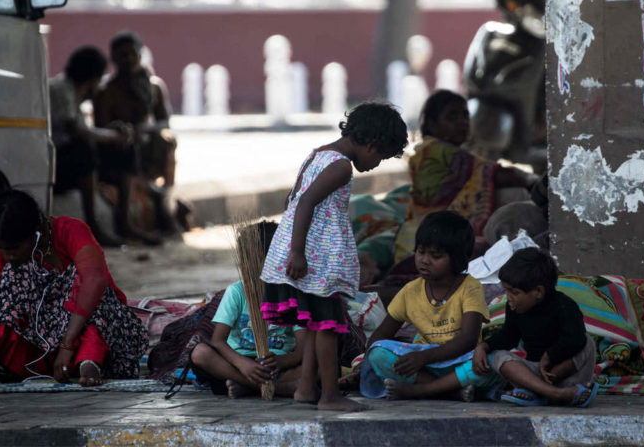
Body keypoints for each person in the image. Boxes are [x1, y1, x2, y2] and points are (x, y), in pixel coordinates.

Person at [259, 102, 408, 411]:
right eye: (380, 156)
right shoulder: (341, 166)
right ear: (371, 143)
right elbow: (305, 204)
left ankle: (305, 389)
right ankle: (329, 395)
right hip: (316, 264)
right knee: (328, 327)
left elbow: (292, 198)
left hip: (310, 258)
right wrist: (298, 253)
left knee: (315, 325)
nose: (377, 163)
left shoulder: (318, 154)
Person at [0, 190, 148, 386]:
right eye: (0, 248)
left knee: (90, 283)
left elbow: (95, 280)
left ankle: (89, 362)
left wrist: (67, 344)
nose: (6, 255)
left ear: (38, 232)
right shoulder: (8, 256)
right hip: (43, 349)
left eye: (13, 249)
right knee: (8, 280)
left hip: (96, 335)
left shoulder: (71, 230)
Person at [361, 211, 501, 401]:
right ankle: (449, 391)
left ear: (457, 258)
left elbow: (468, 339)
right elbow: (380, 336)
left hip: (458, 362)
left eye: (435, 256)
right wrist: (372, 357)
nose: (424, 260)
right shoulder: (410, 291)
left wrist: (424, 357)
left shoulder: (470, 287)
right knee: (378, 354)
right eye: (420, 252)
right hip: (422, 368)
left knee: (494, 362)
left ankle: (421, 391)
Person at [394, 90, 537, 262]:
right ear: (432, 124)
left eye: (465, 116)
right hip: (433, 235)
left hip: (414, 236)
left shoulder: (430, 151)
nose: (462, 122)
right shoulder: (436, 150)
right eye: (452, 117)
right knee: (517, 196)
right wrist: (533, 181)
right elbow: (496, 173)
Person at [189, 221, 306, 398]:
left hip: (277, 364)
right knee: (200, 354)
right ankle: (276, 388)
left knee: (323, 363)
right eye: (245, 260)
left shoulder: (292, 293)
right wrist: (243, 365)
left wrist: (282, 361)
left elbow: (302, 348)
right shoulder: (236, 292)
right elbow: (218, 341)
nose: (247, 266)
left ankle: (249, 386)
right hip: (238, 363)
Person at [472, 247, 599, 407]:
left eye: (514, 292)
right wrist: (482, 347)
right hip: (534, 371)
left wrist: (549, 356)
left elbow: (574, 339)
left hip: (565, 373)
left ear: (538, 291)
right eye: (507, 291)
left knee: (587, 342)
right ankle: (555, 394)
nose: (509, 298)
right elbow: (508, 337)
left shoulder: (565, 306)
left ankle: (538, 392)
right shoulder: (515, 308)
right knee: (499, 357)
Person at [93, 30, 178, 237]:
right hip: (118, 151)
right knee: (128, 149)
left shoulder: (154, 87)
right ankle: (127, 224)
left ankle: (167, 204)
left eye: (132, 54)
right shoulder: (106, 91)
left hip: (147, 148)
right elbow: (100, 128)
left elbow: (164, 121)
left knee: (168, 140)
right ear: (113, 58)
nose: (128, 59)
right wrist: (123, 132)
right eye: (122, 55)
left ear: (140, 55)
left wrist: (143, 130)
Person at [49, 45, 134, 247]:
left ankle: (124, 222)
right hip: (52, 163)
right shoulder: (60, 88)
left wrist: (114, 135)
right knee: (83, 150)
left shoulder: (74, 93)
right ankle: (93, 224)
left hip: (66, 159)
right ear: (93, 78)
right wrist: (114, 137)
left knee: (125, 150)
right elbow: (78, 132)